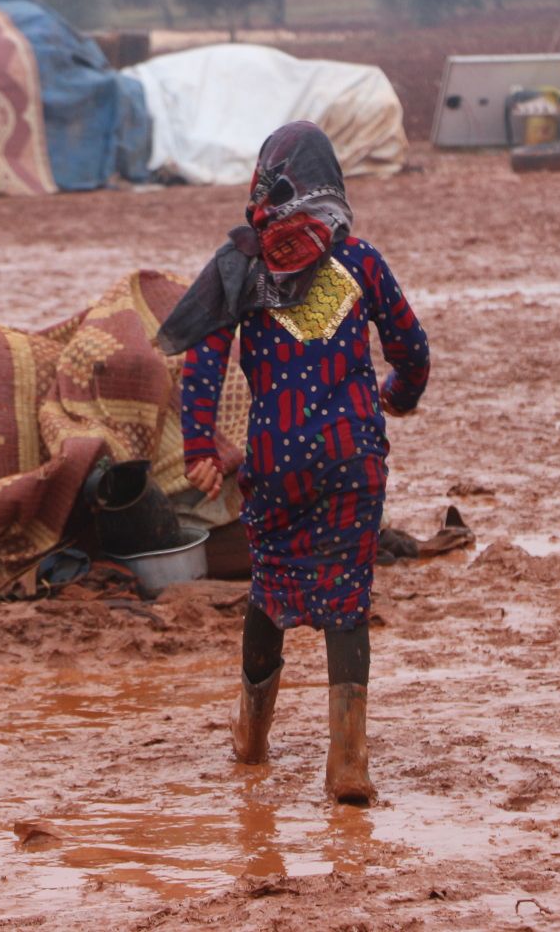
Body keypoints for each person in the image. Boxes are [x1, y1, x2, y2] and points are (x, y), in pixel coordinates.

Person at [157, 121, 430, 805]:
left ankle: (251, 736)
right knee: (347, 601)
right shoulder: (360, 262)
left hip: (277, 464)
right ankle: (348, 762)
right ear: (329, 185)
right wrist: (397, 396)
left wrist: (199, 448)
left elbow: (203, 363)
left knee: (271, 591)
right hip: (354, 460)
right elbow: (411, 346)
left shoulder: (243, 269)